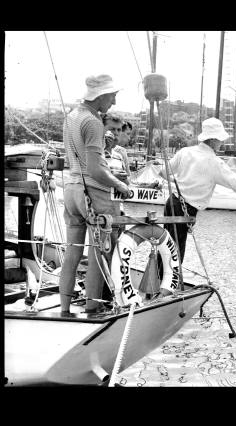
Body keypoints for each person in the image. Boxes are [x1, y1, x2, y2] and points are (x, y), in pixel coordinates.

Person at [156, 117, 236, 296]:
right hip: (185, 208)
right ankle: (165, 292)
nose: (221, 144)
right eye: (220, 140)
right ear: (213, 140)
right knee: (176, 250)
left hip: (172, 202)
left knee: (166, 246)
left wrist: (180, 184)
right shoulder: (214, 162)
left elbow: (162, 171)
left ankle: (159, 282)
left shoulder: (185, 152)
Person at [58, 74, 131, 314]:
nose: (114, 103)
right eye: (112, 96)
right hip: (93, 192)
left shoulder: (71, 117)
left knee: (72, 251)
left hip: (71, 189)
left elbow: (77, 161)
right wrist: (121, 187)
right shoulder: (93, 122)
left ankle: (65, 309)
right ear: (100, 96)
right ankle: (92, 310)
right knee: (99, 253)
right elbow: (96, 169)